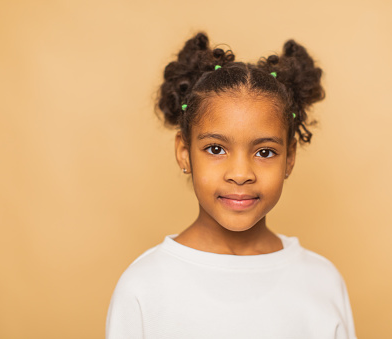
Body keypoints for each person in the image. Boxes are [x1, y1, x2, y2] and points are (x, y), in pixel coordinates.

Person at [106, 32, 357, 339]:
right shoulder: (143, 288)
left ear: (289, 158)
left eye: (265, 152)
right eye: (215, 149)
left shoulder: (323, 282)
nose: (240, 174)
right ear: (184, 153)